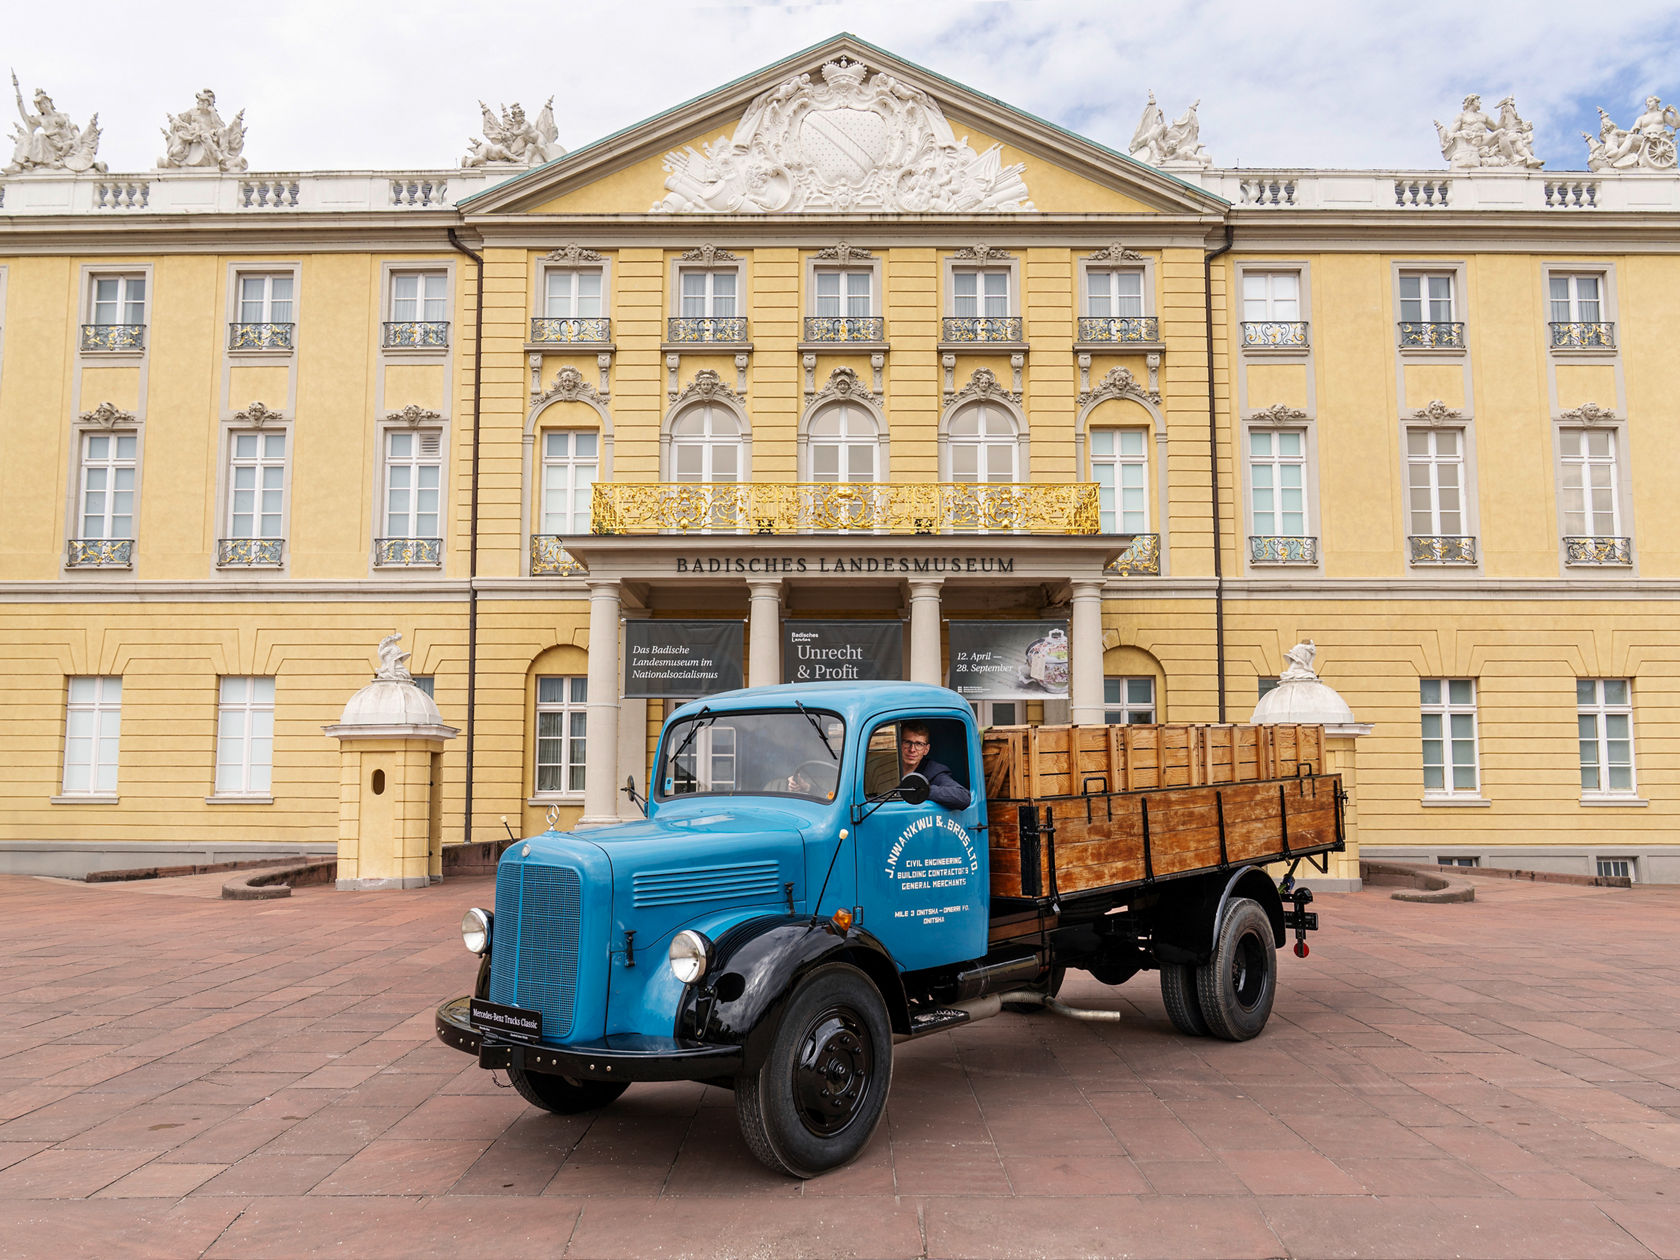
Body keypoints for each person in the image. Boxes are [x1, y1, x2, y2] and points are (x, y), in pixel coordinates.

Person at [866, 720, 971, 810]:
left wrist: (922, 790)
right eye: (907, 742)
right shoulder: (881, 768)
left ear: (926, 750)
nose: (912, 749)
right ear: (899, 744)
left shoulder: (933, 771)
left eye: (919, 744)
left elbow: (963, 797)